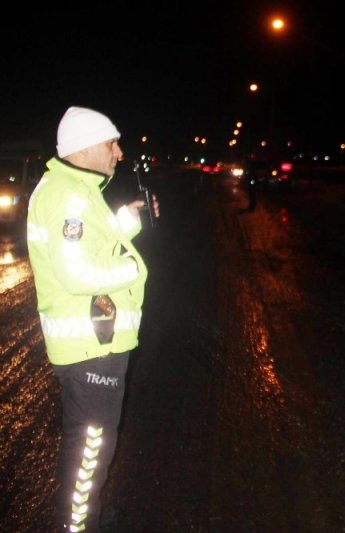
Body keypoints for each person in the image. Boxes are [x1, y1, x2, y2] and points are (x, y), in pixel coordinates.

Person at [26, 106, 159, 532]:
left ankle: (89, 516)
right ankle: (78, 526)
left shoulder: (77, 190)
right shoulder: (67, 196)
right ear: (86, 147)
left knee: (93, 446)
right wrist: (133, 270)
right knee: (89, 449)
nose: (119, 153)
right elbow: (76, 273)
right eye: (111, 143)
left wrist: (125, 224)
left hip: (95, 343)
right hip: (90, 348)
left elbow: (91, 248)